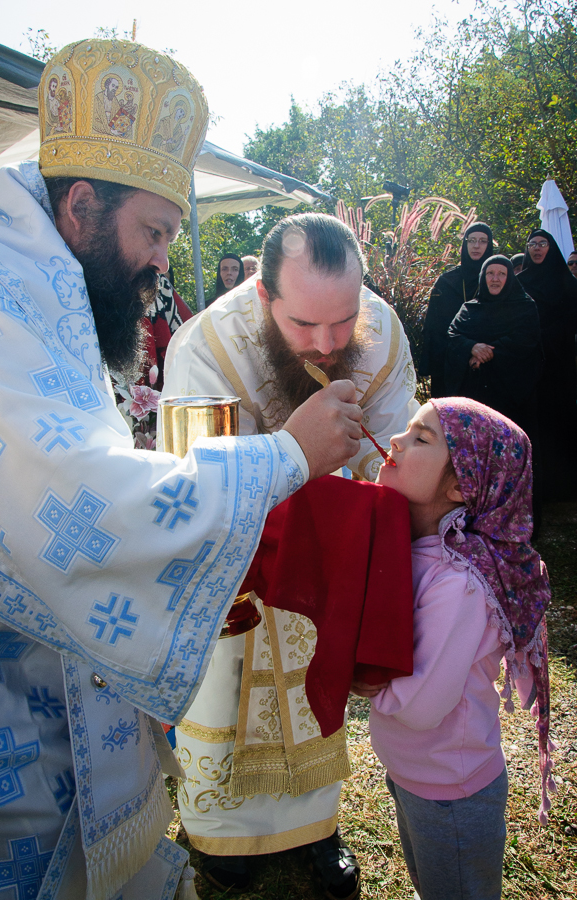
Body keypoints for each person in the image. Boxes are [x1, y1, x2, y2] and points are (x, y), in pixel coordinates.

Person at [0, 40, 364, 900]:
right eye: (153, 233)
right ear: (81, 203)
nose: (162, 260)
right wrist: (288, 454)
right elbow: (77, 504)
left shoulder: (38, 281)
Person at [162, 211, 418, 898]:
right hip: (239, 566)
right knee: (226, 688)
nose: (328, 344)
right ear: (263, 294)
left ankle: (315, 826)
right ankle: (217, 829)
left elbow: (394, 455)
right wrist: (296, 455)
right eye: (304, 324)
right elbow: (196, 480)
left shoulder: (380, 332)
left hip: (329, 559)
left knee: (315, 682)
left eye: (344, 319)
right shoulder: (209, 345)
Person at [353, 397, 552, 900]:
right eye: (407, 429)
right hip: (413, 772)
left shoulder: (458, 584)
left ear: (462, 485)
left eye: (421, 438)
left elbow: (421, 707)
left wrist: (366, 683)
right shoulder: (411, 548)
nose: (396, 440)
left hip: (450, 791)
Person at [445, 255, 541, 435]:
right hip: (474, 391)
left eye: (501, 274)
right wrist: (472, 347)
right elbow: (453, 334)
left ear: (510, 277)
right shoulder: (469, 308)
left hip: (510, 392)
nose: (495, 278)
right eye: (490, 273)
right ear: (483, 276)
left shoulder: (525, 306)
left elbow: (525, 339)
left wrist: (488, 354)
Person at [518, 228, 577, 500]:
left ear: (551, 247)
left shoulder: (567, 282)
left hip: (559, 363)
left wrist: (551, 336)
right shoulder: (520, 283)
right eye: (533, 244)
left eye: (543, 243)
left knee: (559, 418)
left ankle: (563, 485)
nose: (537, 248)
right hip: (530, 364)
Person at [419, 223, 494, 397]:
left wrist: (481, 353)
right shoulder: (447, 281)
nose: (476, 246)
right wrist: (468, 348)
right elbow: (436, 328)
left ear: (489, 245)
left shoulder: (497, 281)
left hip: (486, 367)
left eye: (482, 241)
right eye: (472, 240)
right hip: (449, 365)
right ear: (465, 244)